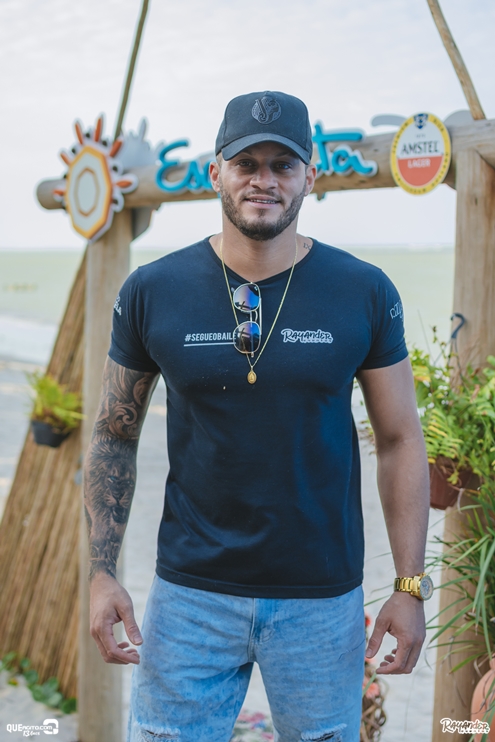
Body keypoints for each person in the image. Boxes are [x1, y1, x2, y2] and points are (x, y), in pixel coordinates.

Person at [84, 91, 431, 742]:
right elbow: (113, 434)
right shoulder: (152, 291)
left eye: (282, 164)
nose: (263, 180)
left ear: (310, 176)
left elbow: (399, 439)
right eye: (246, 163)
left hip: (321, 601)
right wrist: (102, 574)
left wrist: (408, 587)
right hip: (189, 598)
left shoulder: (364, 290)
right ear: (216, 171)